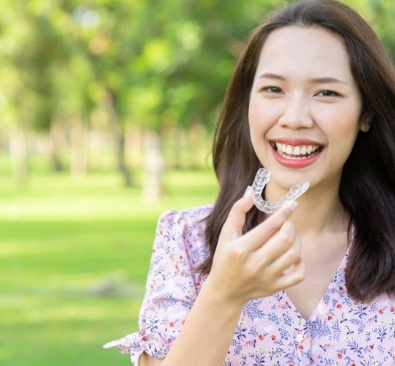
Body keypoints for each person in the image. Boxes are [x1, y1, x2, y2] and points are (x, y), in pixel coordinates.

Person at [104, 0, 395, 364]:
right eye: (274, 89)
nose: (295, 118)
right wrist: (224, 294)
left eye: (326, 93)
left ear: (365, 113)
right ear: (247, 103)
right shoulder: (186, 240)